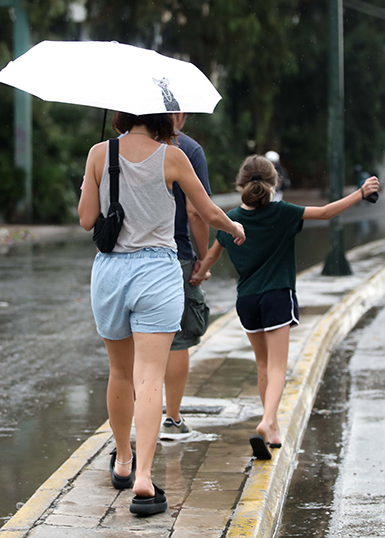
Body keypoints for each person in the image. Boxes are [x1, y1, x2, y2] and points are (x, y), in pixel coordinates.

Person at [78, 111, 245, 515]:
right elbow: (206, 212)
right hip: (157, 271)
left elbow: (86, 220)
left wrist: (100, 183)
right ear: (161, 115)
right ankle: (144, 479)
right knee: (149, 375)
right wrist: (234, 228)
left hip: (111, 272)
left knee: (120, 372)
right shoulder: (173, 156)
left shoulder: (100, 154)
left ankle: (121, 460)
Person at [191, 154, 378, 460]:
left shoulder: (231, 220)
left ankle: (273, 428)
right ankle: (266, 420)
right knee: (279, 367)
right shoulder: (283, 213)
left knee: (263, 365)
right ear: (274, 182)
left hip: (247, 301)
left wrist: (199, 276)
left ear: (240, 184)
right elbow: (327, 212)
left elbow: (211, 255)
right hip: (277, 295)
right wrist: (360, 193)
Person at [161, 112, 211, 441]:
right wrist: (203, 257)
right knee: (175, 341)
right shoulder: (187, 150)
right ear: (177, 114)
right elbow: (197, 210)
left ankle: (127, 435)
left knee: (132, 348)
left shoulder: (110, 151)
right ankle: (172, 417)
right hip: (173, 254)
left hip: (121, 256)